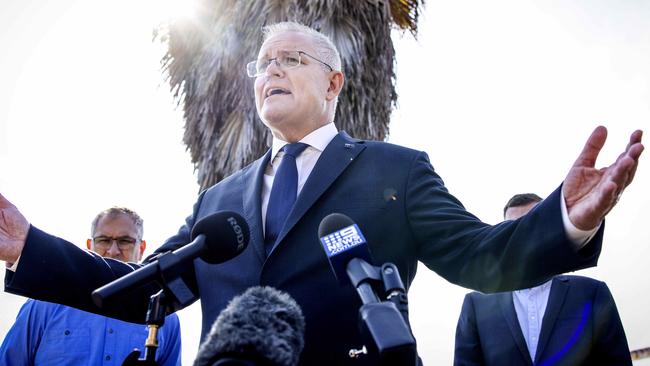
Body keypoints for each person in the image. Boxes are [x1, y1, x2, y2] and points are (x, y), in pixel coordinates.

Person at [0, 21, 644, 365]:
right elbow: (144, 290)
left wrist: (565, 220)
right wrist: (29, 248)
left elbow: (481, 255)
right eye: (262, 64)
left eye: (291, 58)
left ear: (334, 83)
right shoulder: (218, 199)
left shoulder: (397, 171)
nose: (270, 69)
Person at [453, 193, 632, 366]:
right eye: (513, 228)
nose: (521, 236)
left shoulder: (592, 294)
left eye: (530, 225)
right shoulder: (476, 306)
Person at [0, 207, 182, 366]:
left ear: (141, 248)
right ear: (89, 244)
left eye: (125, 241)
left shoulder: (164, 314)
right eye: (104, 240)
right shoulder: (44, 304)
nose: (113, 250)